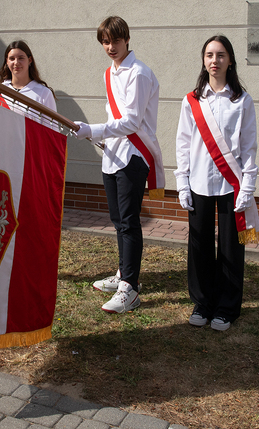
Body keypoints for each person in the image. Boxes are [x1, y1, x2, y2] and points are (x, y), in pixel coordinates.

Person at [74, 16, 164, 314]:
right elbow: (115, 118)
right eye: (104, 41)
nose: (110, 47)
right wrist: (99, 137)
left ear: (126, 39)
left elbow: (131, 122)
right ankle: (123, 272)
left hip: (133, 156)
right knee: (117, 218)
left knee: (129, 221)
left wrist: (92, 129)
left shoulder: (139, 73)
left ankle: (130, 287)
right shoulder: (109, 74)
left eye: (114, 40)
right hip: (113, 155)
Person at [174, 35, 259, 331]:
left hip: (230, 184)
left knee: (231, 246)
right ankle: (202, 302)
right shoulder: (192, 100)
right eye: (209, 55)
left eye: (220, 55)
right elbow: (183, 143)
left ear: (230, 60)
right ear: (203, 60)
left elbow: (249, 147)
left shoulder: (242, 101)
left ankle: (227, 307)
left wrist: (247, 186)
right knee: (198, 247)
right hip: (198, 182)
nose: (214, 60)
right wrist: (182, 182)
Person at [0, 40, 57, 118]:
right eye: (12, 58)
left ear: (30, 60)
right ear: (7, 62)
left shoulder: (44, 93)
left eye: (21, 58)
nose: (16, 62)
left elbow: (50, 129)